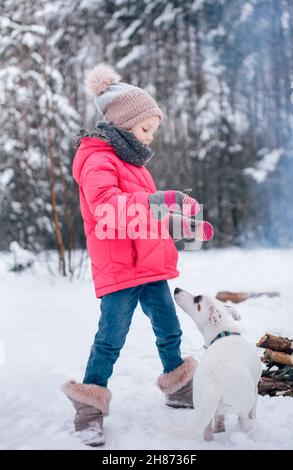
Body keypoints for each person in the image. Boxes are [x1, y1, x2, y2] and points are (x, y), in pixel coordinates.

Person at [61, 63, 213, 447]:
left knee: (169, 329)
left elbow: (147, 215)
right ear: (123, 125)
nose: (150, 138)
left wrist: (182, 225)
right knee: (111, 337)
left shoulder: (133, 164)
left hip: (149, 266)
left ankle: (179, 389)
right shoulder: (96, 158)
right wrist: (161, 200)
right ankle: (89, 407)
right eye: (146, 129)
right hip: (120, 270)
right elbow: (107, 207)